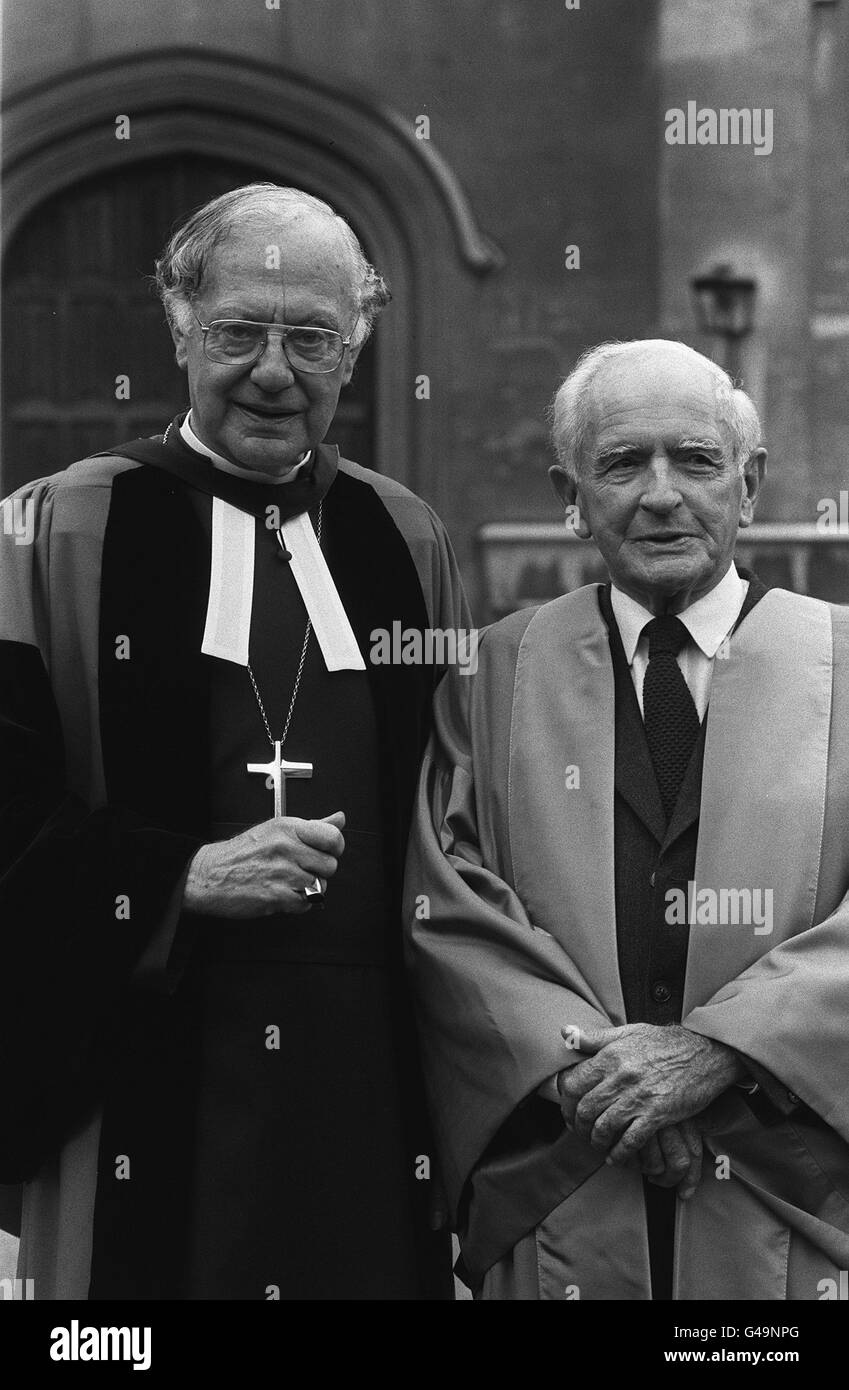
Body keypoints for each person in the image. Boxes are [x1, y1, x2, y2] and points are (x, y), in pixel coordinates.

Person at [0, 183, 470, 1300]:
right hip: (140, 1039)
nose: (273, 370)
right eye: (237, 332)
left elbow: (462, 808)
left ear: (355, 349)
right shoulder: (64, 522)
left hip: (364, 1057)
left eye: (311, 337)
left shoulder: (405, 535)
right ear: (177, 328)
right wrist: (172, 874)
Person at [404, 339, 849, 1300]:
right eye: (620, 463)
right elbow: (449, 904)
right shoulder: (494, 672)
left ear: (751, 483)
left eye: (695, 459)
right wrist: (596, 1083)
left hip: (785, 1180)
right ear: (571, 495)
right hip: (567, 1164)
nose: (659, 495)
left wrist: (723, 1053)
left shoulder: (845, 666)